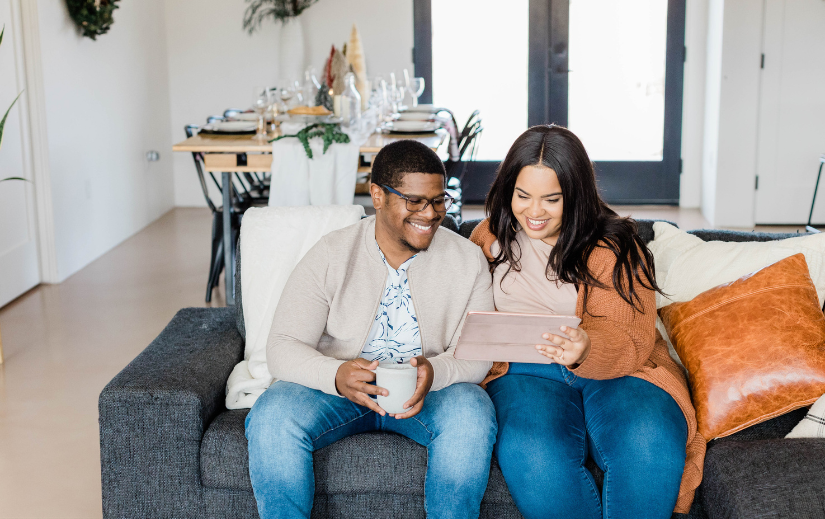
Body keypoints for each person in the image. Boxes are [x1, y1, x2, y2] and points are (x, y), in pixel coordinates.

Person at [245, 139, 498, 519]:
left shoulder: (468, 260)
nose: (430, 214)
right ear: (377, 196)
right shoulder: (331, 253)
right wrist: (336, 375)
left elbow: (477, 355)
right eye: (414, 201)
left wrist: (436, 371)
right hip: (339, 392)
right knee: (271, 417)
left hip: (428, 393)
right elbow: (282, 346)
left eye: (438, 200)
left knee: (472, 413)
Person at [469, 125, 705, 519]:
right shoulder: (488, 239)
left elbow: (631, 332)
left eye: (552, 199)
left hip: (623, 371)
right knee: (533, 453)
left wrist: (587, 346)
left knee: (650, 442)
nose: (534, 212)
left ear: (576, 195)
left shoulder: (615, 244)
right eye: (522, 195)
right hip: (523, 372)